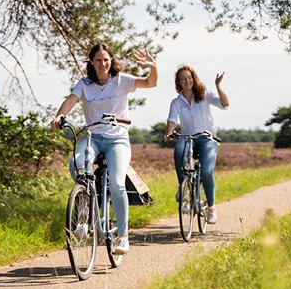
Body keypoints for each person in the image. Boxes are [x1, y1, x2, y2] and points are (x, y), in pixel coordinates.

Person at [50, 43, 158, 255]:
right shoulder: (85, 84)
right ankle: (85, 209)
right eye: (98, 60)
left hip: (117, 139)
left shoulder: (121, 80)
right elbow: (71, 100)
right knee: (76, 165)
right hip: (93, 137)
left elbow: (150, 83)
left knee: (117, 183)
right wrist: (59, 116)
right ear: (91, 62)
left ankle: (123, 236)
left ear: (111, 60)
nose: (103, 63)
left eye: (106, 59)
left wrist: (152, 66)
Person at [162, 65, 229, 224]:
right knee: (179, 151)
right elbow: (172, 120)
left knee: (206, 172)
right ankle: (183, 186)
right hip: (187, 138)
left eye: (189, 77)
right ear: (178, 82)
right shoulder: (177, 102)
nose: (187, 81)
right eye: (183, 78)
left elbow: (224, 104)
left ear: (194, 78)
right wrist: (169, 132)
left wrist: (218, 86)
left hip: (207, 138)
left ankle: (211, 207)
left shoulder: (204, 95)